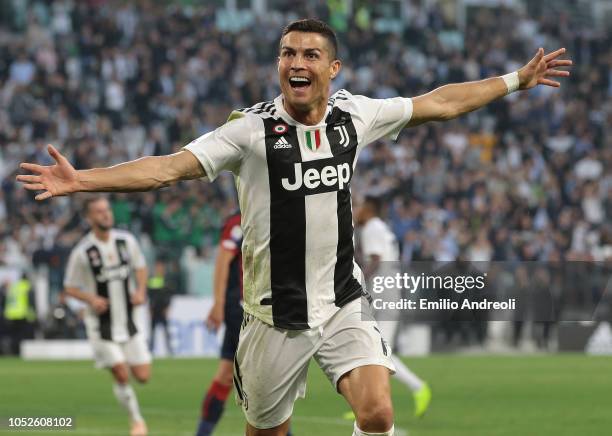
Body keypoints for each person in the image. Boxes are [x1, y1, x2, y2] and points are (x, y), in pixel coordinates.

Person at [17, 18, 571, 436]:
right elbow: (166, 169)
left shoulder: (356, 115)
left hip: (341, 300)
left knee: (378, 413)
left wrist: (516, 80)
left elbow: (439, 104)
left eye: (309, 53)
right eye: (287, 53)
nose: (295, 61)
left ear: (333, 69)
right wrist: (83, 181)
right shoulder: (248, 132)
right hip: (272, 316)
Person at [63, 196, 151, 436]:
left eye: (107, 210)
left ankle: (123, 366)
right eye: (100, 212)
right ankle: (137, 422)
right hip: (100, 325)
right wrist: (91, 299)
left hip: (129, 321)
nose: (106, 215)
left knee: (143, 376)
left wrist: (141, 290)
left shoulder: (126, 241)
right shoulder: (83, 252)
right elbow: (69, 287)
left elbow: (141, 267)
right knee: (121, 373)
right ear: (89, 217)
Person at [354, 196, 431, 419]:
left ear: (369, 209)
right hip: (387, 290)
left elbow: (376, 259)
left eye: (359, 206)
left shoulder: (371, 227)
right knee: (369, 348)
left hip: (383, 291)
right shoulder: (378, 227)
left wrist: (358, 282)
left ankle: (418, 387)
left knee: (380, 351)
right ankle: (368, 402)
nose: (356, 210)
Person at [197, 211, 243, 436]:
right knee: (263, 379)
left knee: (226, 375)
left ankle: (202, 433)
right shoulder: (239, 221)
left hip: (253, 308)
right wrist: (218, 304)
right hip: (245, 309)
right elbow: (223, 260)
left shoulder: (274, 212)